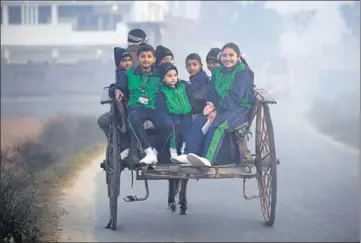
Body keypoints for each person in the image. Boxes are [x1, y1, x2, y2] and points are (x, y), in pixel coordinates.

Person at [173, 43, 255, 166]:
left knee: (218, 125)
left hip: (240, 108)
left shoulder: (244, 72)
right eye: (224, 55)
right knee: (200, 119)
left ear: (238, 57)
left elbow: (235, 97)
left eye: (231, 55)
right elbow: (211, 90)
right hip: (221, 107)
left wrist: (217, 110)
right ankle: (188, 154)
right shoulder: (218, 71)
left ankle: (208, 160)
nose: (227, 58)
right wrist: (211, 104)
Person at [117, 44, 174, 165]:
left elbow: (174, 80)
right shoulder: (129, 74)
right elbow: (116, 86)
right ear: (138, 59)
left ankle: (155, 152)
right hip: (137, 107)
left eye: (149, 56)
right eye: (143, 57)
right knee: (133, 118)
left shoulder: (160, 74)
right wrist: (116, 90)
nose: (146, 59)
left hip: (156, 108)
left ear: (154, 59)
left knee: (168, 125)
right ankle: (148, 150)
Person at [97, 47, 132, 162]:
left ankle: (120, 144)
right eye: (124, 61)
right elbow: (118, 86)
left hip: (129, 109)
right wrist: (115, 89)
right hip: (128, 108)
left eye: (129, 60)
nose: (127, 63)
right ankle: (120, 144)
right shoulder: (122, 73)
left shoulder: (128, 74)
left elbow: (120, 86)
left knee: (104, 120)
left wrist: (115, 89)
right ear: (119, 63)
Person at [156, 62, 194, 161]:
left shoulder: (182, 86)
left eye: (175, 75)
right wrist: (167, 112)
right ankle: (173, 152)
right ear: (163, 78)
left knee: (186, 132)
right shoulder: (163, 90)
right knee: (174, 132)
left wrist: (190, 107)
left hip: (186, 114)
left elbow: (190, 96)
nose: (173, 78)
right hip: (173, 114)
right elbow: (161, 105)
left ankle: (184, 152)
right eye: (169, 76)